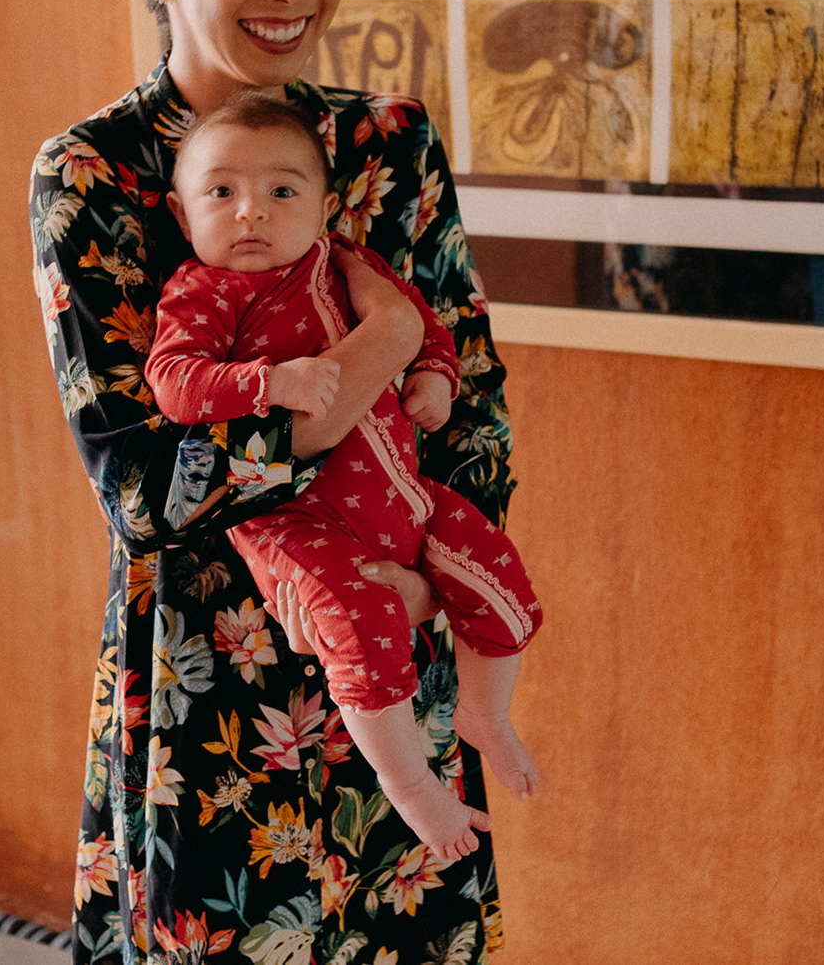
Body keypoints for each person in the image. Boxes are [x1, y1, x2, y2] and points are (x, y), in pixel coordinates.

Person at [30, 0, 518, 965]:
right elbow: (143, 486)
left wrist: (428, 585)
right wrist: (371, 354)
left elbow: (476, 421)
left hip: (394, 658)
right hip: (213, 691)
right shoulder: (94, 174)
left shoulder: (388, 143)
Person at [145, 90, 542, 863]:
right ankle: (412, 786)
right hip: (297, 521)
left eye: (280, 191)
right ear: (184, 214)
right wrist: (269, 382)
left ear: (325, 209)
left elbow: (424, 324)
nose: (251, 211)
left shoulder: (350, 266)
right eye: (221, 192)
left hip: (404, 496)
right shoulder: (205, 290)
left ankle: (487, 713)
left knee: (498, 571)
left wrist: (434, 375)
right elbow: (175, 382)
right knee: (361, 624)